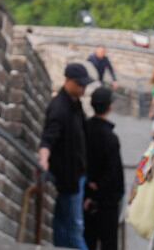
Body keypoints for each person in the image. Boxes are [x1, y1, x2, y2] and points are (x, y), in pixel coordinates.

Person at [40, 61, 92, 248]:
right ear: (68, 81)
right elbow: (48, 137)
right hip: (68, 175)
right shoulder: (59, 108)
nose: (83, 89)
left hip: (76, 174)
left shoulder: (74, 103)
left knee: (62, 222)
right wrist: (43, 159)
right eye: (80, 85)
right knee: (74, 227)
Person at [82, 86, 124, 250]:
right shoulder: (110, 138)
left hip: (86, 193)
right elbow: (114, 172)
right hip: (106, 200)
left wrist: (90, 186)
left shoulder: (84, 128)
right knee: (108, 241)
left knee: (88, 238)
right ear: (109, 107)